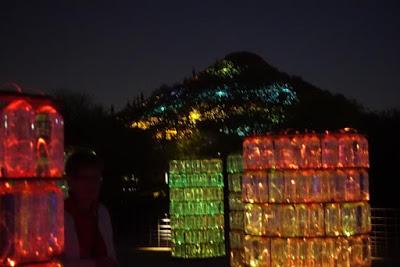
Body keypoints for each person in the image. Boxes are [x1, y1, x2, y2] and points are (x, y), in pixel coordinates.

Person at [62, 150, 118, 267]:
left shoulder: (102, 212)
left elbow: (110, 255)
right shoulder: (59, 217)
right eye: (85, 178)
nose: (92, 185)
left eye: (96, 179)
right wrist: (95, 264)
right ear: (70, 181)